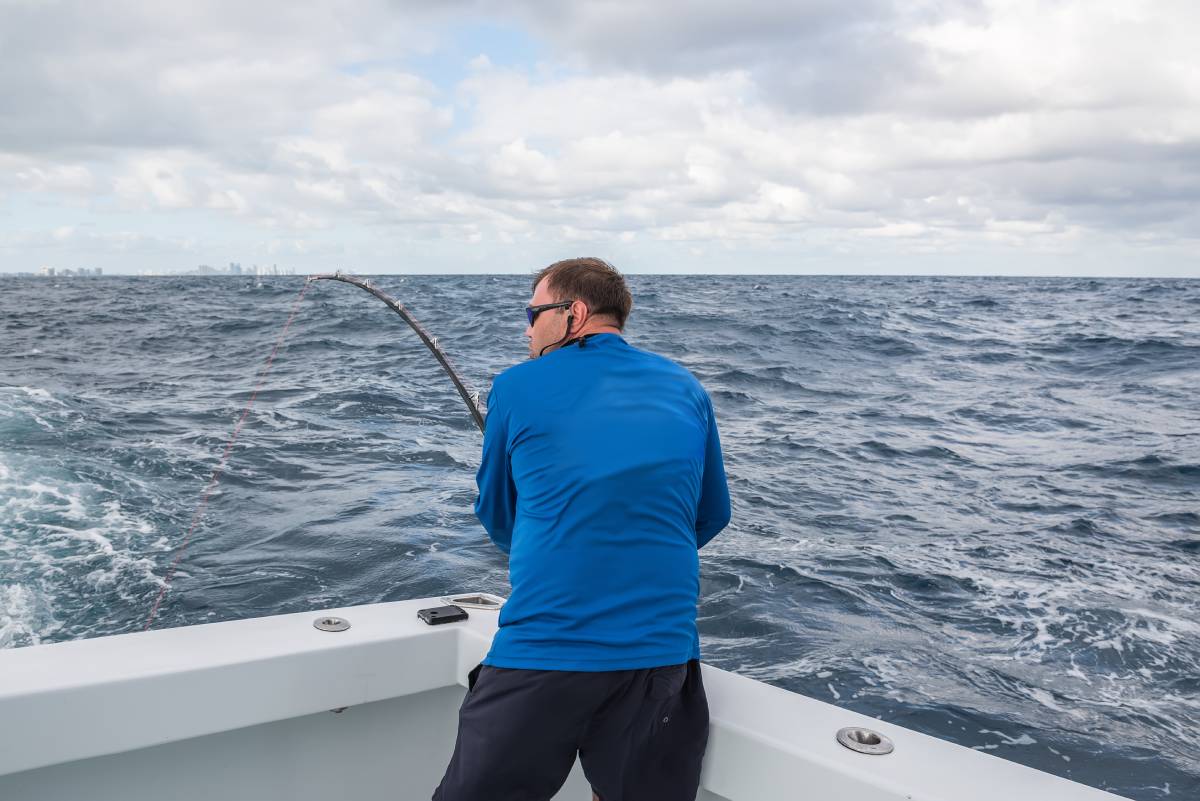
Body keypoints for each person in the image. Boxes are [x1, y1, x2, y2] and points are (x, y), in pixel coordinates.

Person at [433, 257, 731, 801]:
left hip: (546, 650)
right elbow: (712, 515)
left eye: (533, 312)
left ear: (573, 312)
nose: (527, 328)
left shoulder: (517, 386)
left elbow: (498, 515)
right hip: (663, 657)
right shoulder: (688, 388)